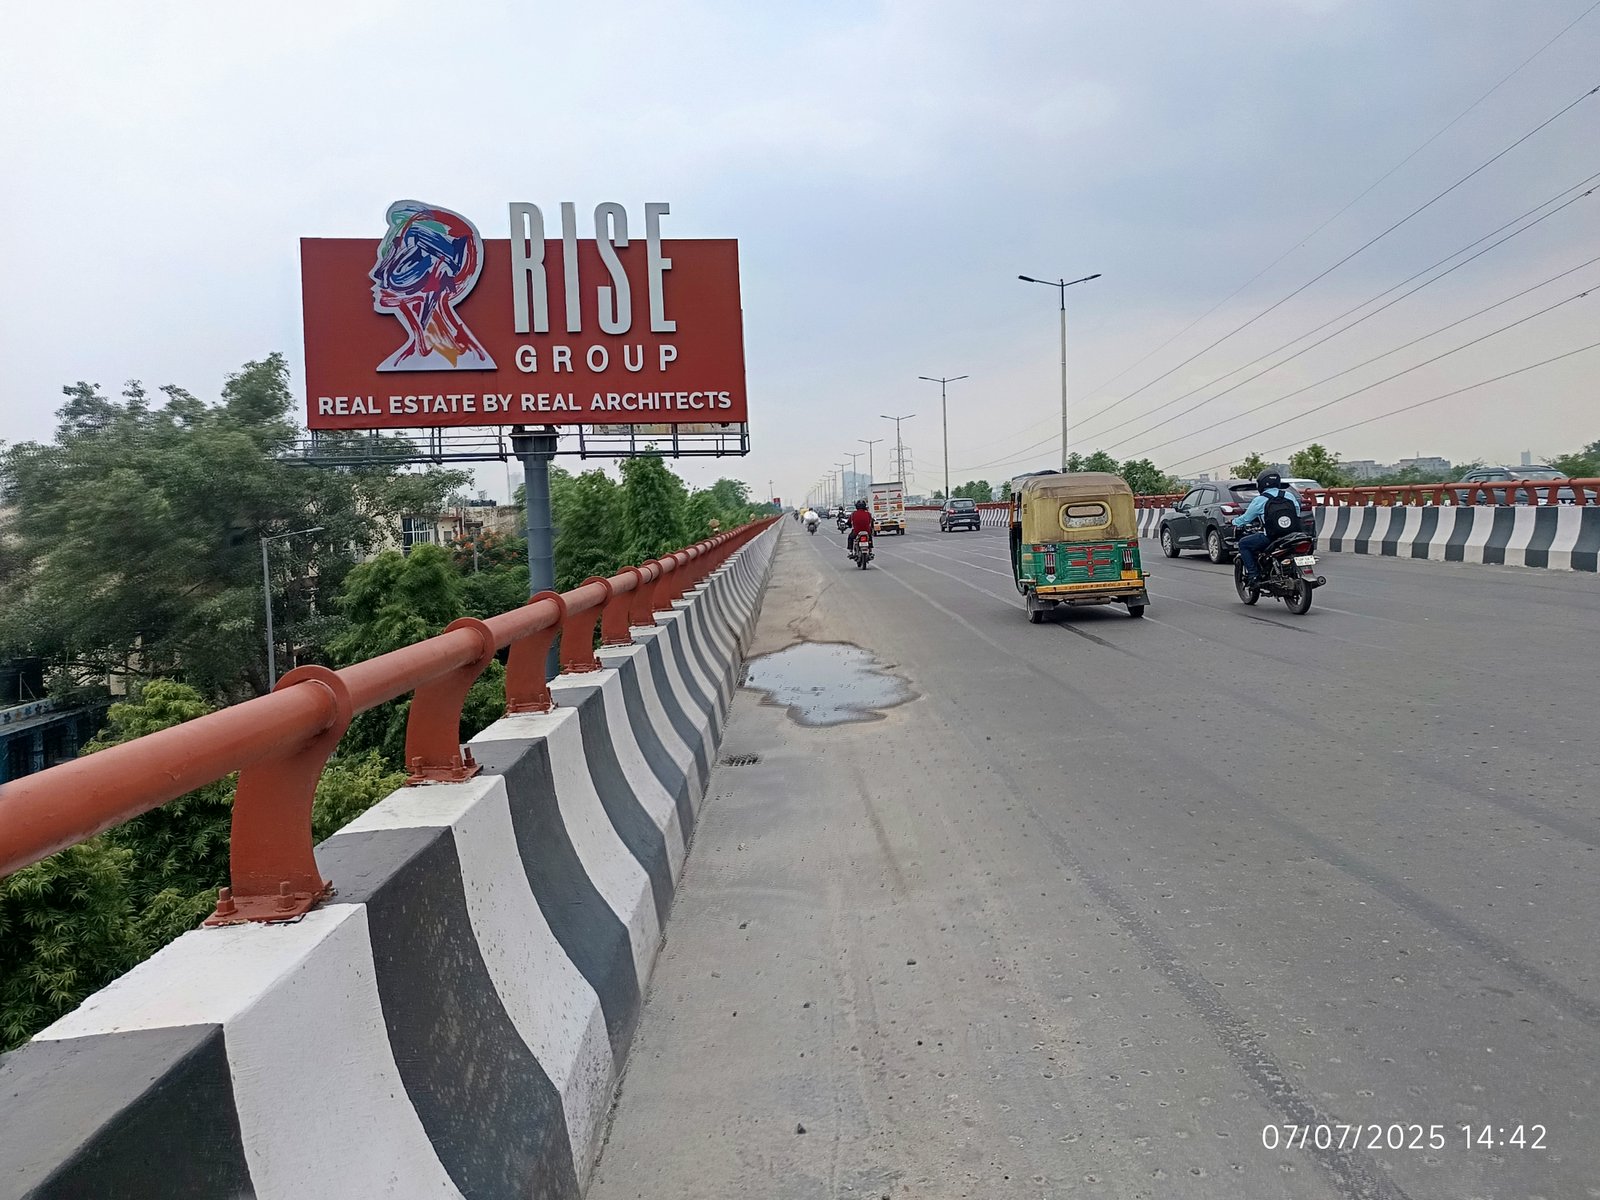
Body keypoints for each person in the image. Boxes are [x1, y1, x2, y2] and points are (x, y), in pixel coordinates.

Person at [1231, 471, 1303, 585]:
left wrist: (1234, 522)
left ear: (1261, 484)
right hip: (1292, 536)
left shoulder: (1260, 500)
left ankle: (1254, 576)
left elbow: (1246, 518)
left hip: (1271, 537)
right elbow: (1297, 514)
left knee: (1243, 544)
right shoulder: (1289, 496)